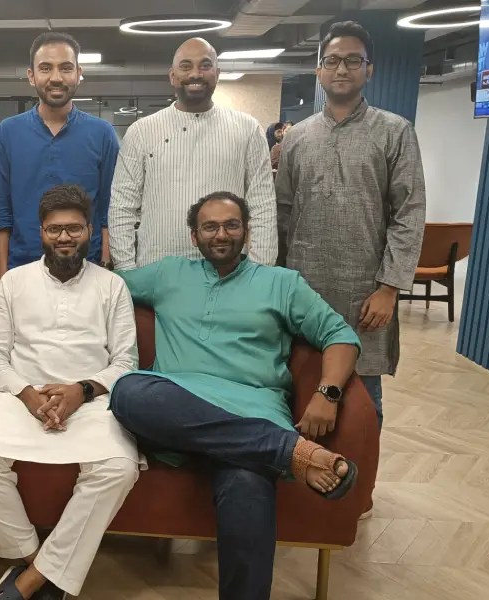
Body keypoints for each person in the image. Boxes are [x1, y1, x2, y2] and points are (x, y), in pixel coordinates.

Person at [109, 191, 362, 600]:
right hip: (174, 415)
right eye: (209, 227)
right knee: (128, 391)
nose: (221, 234)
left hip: (253, 411)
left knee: (247, 482)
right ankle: (289, 452)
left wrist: (328, 393)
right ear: (194, 236)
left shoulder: (282, 283)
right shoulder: (168, 273)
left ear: (247, 231)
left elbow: (340, 335)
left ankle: (273, 450)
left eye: (231, 225)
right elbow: (103, 286)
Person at [0, 184, 139, 600]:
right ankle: (36, 562)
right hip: (20, 397)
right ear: (41, 232)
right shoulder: (14, 283)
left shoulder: (112, 286)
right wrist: (27, 394)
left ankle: (29, 582)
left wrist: (81, 391)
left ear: (89, 231)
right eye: (55, 229)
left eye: (74, 228)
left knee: (119, 467)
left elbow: (127, 362)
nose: (64, 237)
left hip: (91, 402)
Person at [276, 21, 426, 435]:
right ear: (319, 71)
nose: (342, 69)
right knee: (298, 386)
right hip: (303, 289)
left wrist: (390, 288)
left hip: (366, 294)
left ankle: (357, 476)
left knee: (362, 404)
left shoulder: (394, 132)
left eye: (353, 60)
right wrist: (277, 284)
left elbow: (409, 213)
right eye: (332, 61)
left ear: (369, 69)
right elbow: (282, 214)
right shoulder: (297, 137)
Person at [108, 37, 277, 271]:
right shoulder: (141, 132)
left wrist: (259, 273)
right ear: (172, 76)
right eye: (186, 66)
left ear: (217, 74)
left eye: (205, 65)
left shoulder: (247, 129)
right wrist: (127, 272)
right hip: (157, 273)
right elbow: (122, 207)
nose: (195, 73)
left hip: (230, 274)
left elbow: (262, 206)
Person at [0, 32, 120, 281]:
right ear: (31, 75)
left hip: (87, 268)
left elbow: (109, 207)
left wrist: (105, 264)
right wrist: (2, 273)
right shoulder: (8, 131)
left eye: (66, 68)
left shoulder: (102, 133)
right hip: (22, 268)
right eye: (46, 68)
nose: (56, 77)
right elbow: (1, 208)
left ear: (79, 73)